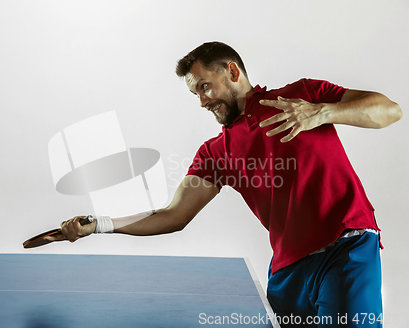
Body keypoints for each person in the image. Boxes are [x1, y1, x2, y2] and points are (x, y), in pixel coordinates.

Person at [55, 42, 402, 327]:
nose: (203, 101)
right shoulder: (214, 152)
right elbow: (173, 215)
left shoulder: (301, 95)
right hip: (287, 272)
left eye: (205, 87)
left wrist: (322, 112)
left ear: (233, 72)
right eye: (196, 94)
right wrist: (101, 225)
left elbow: (389, 110)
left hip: (345, 247)